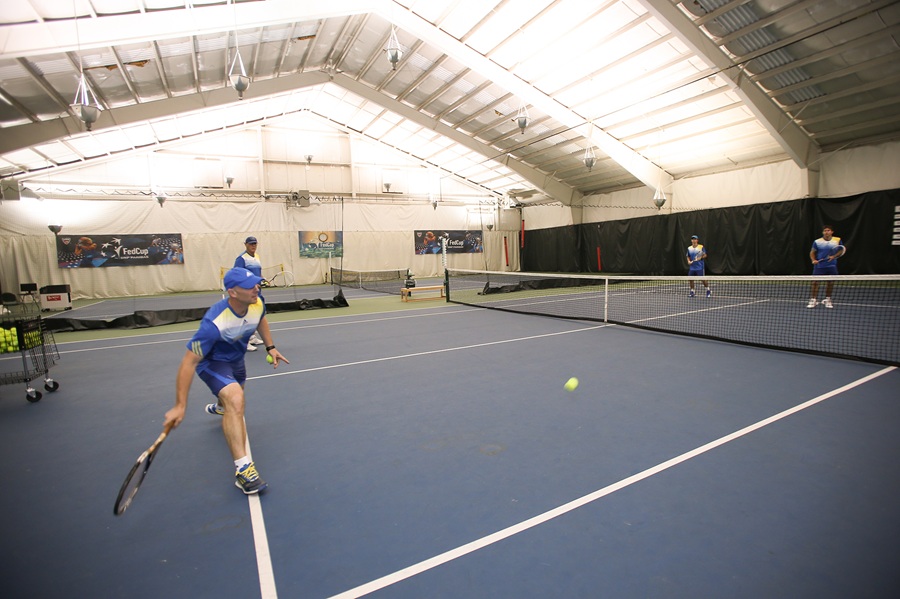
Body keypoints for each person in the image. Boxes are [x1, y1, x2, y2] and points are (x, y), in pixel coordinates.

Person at [164, 267, 289, 495]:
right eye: (249, 285)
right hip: (212, 363)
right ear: (232, 292)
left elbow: (261, 319)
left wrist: (271, 346)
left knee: (232, 399)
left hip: (236, 359)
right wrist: (180, 405)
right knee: (236, 399)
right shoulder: (214, 324)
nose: (256, 287)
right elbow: (188, 363)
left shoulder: (257, 302)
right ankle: (243, 470)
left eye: (256, 283)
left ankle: (220, 407)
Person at [234, 236, 265, 350]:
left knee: (256, 315)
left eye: (255, 244)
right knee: (247, 316)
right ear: (245, 244)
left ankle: (251, 337)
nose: (253, 246)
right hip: (247, 293)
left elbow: (258, 273)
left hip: (257, 292)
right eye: (251, 244)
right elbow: (237, 276)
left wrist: (262, 279)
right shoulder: (241, 259)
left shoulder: (257, 257)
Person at [807, 225, 846, 309]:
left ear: (832, 232)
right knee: (815, 282)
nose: (826, 232)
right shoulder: (817, 241)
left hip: (831, 265)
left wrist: (834, 256)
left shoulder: (837, 240)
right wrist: (813, 260)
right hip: (819, 266)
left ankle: (828, 299)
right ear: (823, 232)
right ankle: (813, 299)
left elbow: (841, 250)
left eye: (828, 230)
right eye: (825, 230)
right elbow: (812, 252)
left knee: (830, 283)